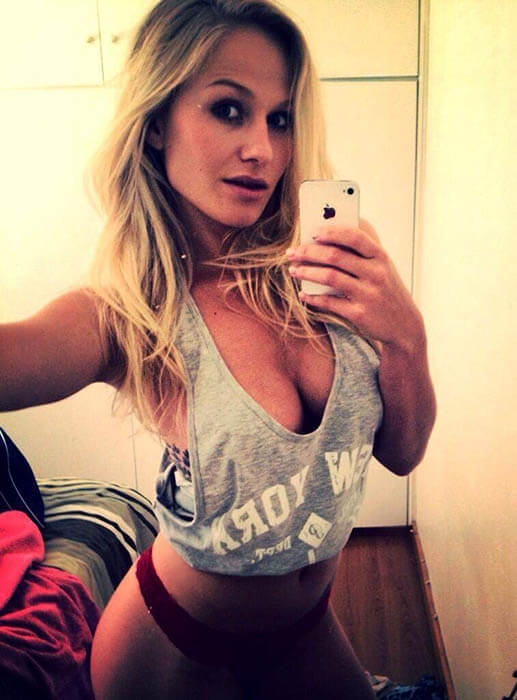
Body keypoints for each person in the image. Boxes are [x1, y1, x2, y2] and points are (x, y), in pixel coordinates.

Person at [0, 0, 436, 698]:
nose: (262, 148)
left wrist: (405, 334)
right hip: (171, 644)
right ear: (155, 125)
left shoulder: (329, 268)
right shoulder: (130, 313)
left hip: (309, 624)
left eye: (280, 118)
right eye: (228, 110)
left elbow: (402, 453)